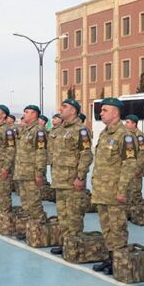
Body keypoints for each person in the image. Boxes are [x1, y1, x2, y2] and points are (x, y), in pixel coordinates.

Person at [91, 98, 138, 274]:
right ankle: (110, 257)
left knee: (117, 228)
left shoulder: (124, 135)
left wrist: (122, 190)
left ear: (115, 112)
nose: (101, 113)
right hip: (102, 190)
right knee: (106, 226)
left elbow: (129, 164)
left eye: (104, 110)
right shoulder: (105, 134)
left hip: (115, 191)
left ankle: (119, 260)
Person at [48, 100, 93, 256]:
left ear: (73, 110)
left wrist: (80, 176)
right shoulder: (59, 130)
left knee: (74, 215)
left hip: (73, 180)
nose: (61, 108)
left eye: (65, 107)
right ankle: (66, 243)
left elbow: (86, 155)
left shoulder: (81, 130)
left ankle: (74, 245)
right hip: (59, 179)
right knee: (62, 214)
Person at [13, 105, 48, 222]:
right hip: (22, 172)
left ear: (34, 114)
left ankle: (39, 228)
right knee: (25, 203)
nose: (24, 115)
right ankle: (30, 230)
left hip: (31, 174)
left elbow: (41, 153)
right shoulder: (25, 130)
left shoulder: (39, 131)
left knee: (34, 204)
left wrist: (39, 173)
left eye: (27, 112)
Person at [123, 114, 144, 207]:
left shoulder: (140, 136)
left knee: (135, 191)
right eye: (126, 122)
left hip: (136, 169)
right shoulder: (126, 135)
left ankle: (137, 211)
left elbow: (142, 153)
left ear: (134, 124)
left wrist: (138, 168)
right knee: (127, 190)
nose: (126, 124)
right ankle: (129, 210)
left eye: (128, 122)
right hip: (128, 168)